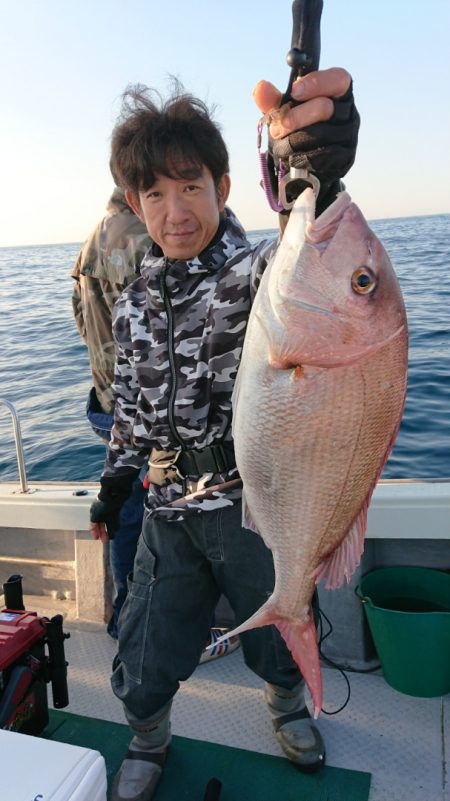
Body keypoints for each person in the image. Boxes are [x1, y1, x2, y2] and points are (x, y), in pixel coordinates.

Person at [90, 67, 359, 801]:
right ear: (135, 202)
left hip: (253, 506)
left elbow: (306, 246)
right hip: (169, 511)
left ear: (224, 187)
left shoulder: (255, 273)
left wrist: (313, 169)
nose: (174, 210)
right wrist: (114, 484)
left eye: (190, 186)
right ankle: (149, 737)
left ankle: (288, 704)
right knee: (145, 641)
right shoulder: (135, 302)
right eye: (154, 193)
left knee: (279, 625)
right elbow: (131, 412)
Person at [72, 188, 240, 659]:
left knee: (125, 515)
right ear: (135, 191)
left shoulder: (92, 240)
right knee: (170, 516)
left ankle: (127, 619)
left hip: (108, 398)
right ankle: (162, 626)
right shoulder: (145, 237)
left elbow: (82, 322)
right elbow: (173, 321)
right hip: (146, 408)